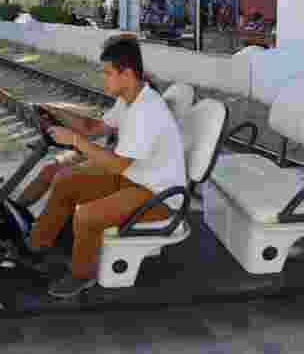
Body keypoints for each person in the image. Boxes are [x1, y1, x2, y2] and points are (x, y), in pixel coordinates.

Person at [16, 34, 187, 298]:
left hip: (157, 195)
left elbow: (117, 165)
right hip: (135, 177)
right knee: (64, 181)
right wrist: (57, 112)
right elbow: (95, 127)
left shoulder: (147, 111)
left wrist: (74, 140)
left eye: (107, 73)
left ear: (127, 74)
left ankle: (81, 275)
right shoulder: (130, 98)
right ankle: (37, 246)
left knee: (87, 215)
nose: (103, 78)